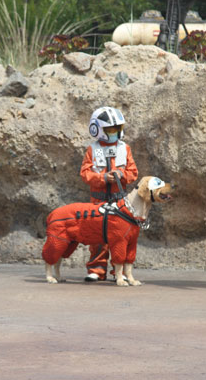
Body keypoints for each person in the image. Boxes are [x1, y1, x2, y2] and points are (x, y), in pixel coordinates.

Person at [80, 106, 138, 281]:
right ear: (97, 129)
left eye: (117, 129)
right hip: (97, 202)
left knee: (120, 237)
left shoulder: (124, 148)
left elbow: (133, 172)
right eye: (111, 130)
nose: (115, 133)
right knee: (97, 237)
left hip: (119, 202)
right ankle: (96, 270)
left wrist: (122, 175)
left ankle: (119, 272)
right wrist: (103, 178)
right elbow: (85, 173)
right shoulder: (92, 149)